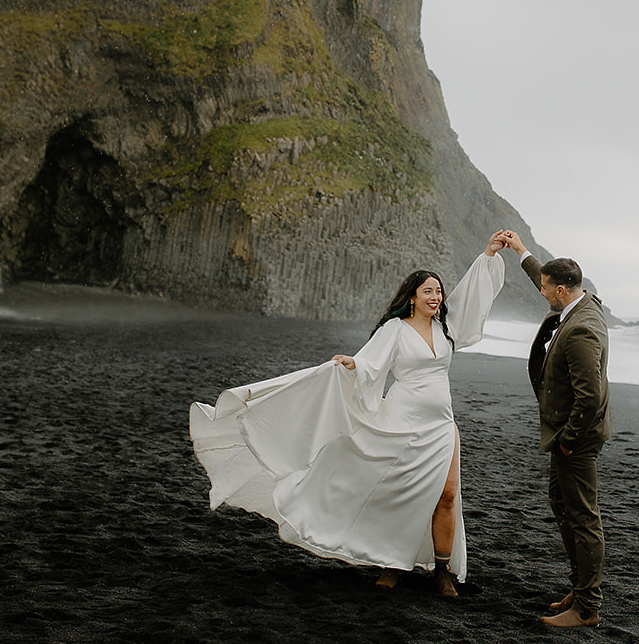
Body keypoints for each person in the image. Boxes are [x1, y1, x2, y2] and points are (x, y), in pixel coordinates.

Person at [189, 232, 509, 597]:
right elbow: (372, 363)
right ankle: (391, 564)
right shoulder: (395, 329)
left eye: (439, 291)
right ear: (413, 297)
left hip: (441, 425)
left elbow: (471, 298)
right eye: (428, 292)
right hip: (402, 423)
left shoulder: (446, 328)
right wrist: (352, 363)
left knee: (448, 496)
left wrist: (487, 254)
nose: (436, 297)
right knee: (398, 492)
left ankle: (442, 571)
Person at [499, 231, 612, 628]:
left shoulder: (582, 330)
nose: (543, 293)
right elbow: (543, 278)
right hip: (568, 435)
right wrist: (520, 251)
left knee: (582, 517)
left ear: (562, 291)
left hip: (576, 439)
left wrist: (566, 442)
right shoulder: (580, 300)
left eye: (547, 289)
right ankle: (581, 588)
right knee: (561, 505)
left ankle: (587, 608)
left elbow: (590, 397)